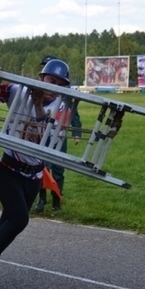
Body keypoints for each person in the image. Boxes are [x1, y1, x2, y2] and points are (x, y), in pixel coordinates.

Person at [0, 58, 71, 289]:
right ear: (41, 78)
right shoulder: (18, 89)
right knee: (20, 219)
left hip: (33, 177)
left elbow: (50, 137)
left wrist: (40, 104)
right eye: (51, 81)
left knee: (5, 229)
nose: (53, 88)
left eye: (60, 85)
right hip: (7, 170)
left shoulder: (63, 107)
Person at [35, 55, 82, 213]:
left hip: (60, 136)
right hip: (44, 135)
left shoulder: (66, 94)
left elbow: (74, 114)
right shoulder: (38, 92)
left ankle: (57, 199)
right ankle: (41, 199)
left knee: (58, 169)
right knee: (43, 167)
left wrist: (76, 132)